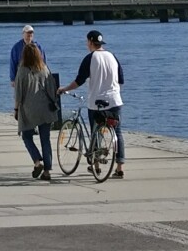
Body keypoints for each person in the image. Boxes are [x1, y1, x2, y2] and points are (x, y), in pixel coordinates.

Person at [57, 30, 125, 179]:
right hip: (115, 101)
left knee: (96, 131)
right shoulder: (113, 57)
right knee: (117, 133)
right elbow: (121, 80)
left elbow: (79, 80)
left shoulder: (90, 58)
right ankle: (119, 167)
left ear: (89, 42)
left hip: (96, 102)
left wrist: (64, 89)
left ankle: (96, 166)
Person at [14, 42, 56, 180]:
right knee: (45, 139)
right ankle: (47, 172)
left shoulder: (22, 70)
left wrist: (16, 108)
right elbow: (52, 88)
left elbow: (18, 93)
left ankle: (37, 162)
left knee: (27, 136)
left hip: (29, 109)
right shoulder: (44, 68)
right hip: (45, 110)